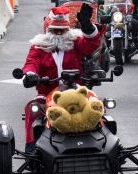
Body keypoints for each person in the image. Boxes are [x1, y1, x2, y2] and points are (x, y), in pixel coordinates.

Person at [21, 4, 101, 152]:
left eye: (62, 30)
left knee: (97, 105)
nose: (58, 34)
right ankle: (31, 148)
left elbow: (92, 44)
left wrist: (87, 25)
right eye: (54, 30)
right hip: (47, 93)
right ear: (47, 29)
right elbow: (31, 64)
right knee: (32, 109)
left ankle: (105, 141)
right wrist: (30, 76)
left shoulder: (76, 42)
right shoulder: (38, 47)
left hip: (78, 91)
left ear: (68, 29)